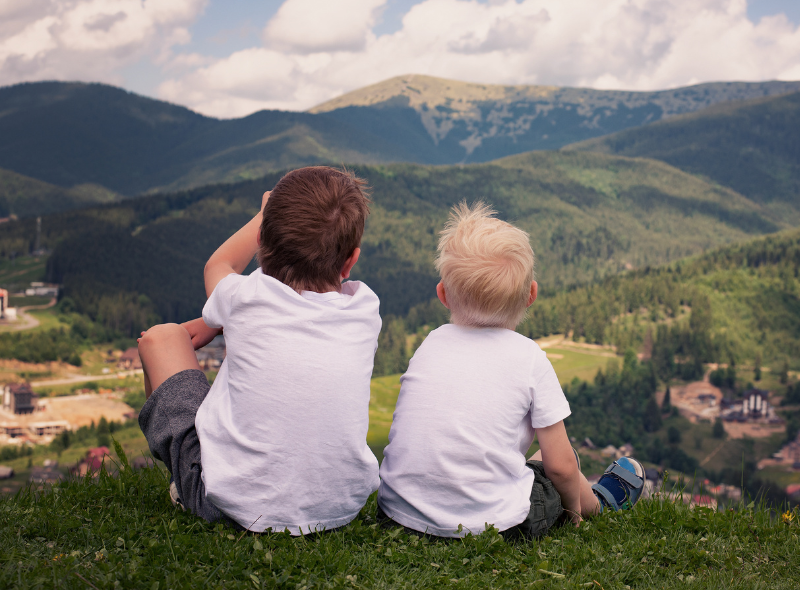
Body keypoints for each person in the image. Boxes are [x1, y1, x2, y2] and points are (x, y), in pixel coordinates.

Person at [377, 202, 644, 539]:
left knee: (546, 461)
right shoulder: (529, 357)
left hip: (398, 515)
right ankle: (599, 504)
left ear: (443, 295)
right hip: (492, 528)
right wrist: (573, 515)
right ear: (531, 295)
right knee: (561, 464)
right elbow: (560, 468)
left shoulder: (430, 343)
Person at [137, 166, 381, 534]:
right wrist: (219, 322)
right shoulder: (365, 308)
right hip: (339, 506)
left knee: (160, 338)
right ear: (351, 260)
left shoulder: (243, 298)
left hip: (229, 507)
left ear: (263, 242)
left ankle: (184, 484)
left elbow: (220, 265)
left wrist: (263, 214)